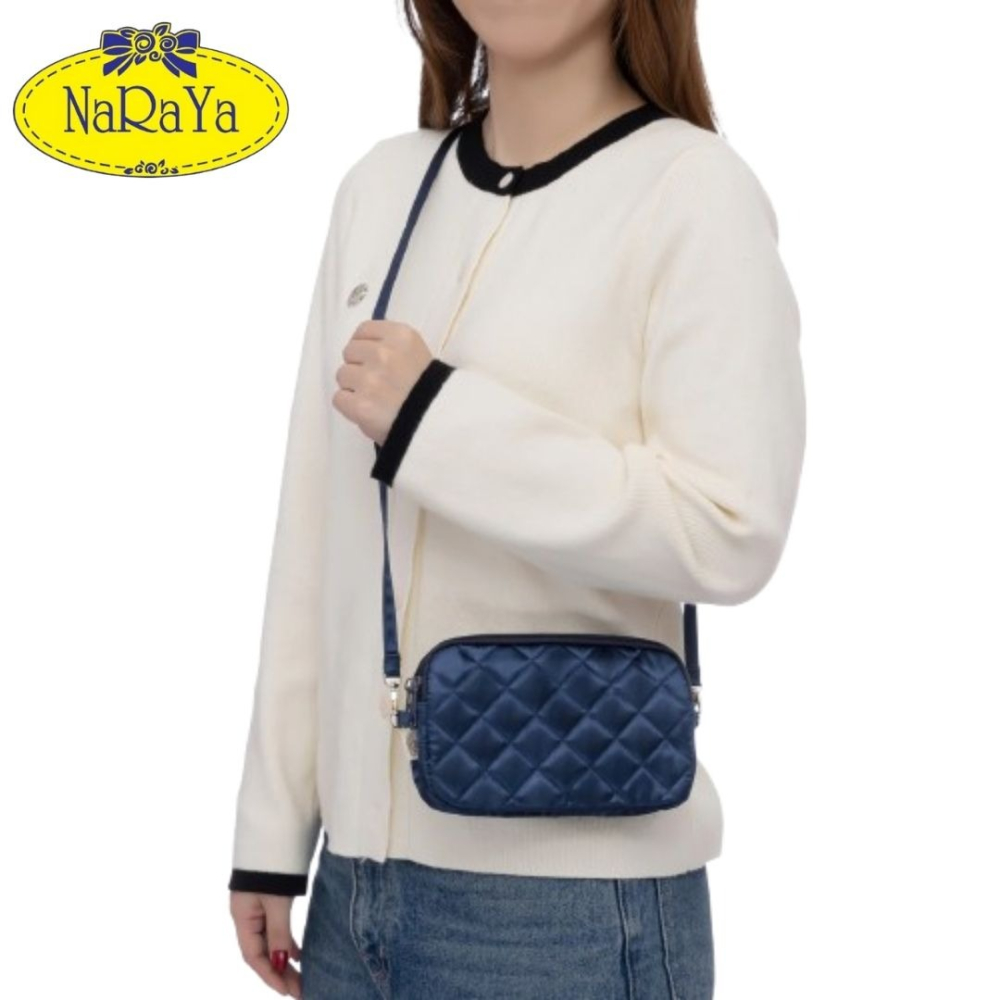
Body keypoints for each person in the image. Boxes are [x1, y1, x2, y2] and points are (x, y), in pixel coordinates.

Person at [227, 1, 806, 997]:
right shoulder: (381, 190)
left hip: (571, 910)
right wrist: (273, 834)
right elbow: (317, 536)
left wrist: (434, 420)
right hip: (353, 887)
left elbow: (727, 527)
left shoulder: (692, 189)